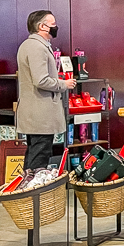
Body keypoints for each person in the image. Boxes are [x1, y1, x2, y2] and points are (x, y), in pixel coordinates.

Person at [17, 10, 77, 170]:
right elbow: (41, 80)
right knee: (39, 157)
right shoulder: (37, 47)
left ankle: (28, 190)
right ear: (42, 26)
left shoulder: (30, 45)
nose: (56, 27)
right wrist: (64, 84)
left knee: (34, 154)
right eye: (53, 24)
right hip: (40, 113)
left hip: (35, 112)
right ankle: (36, 192)